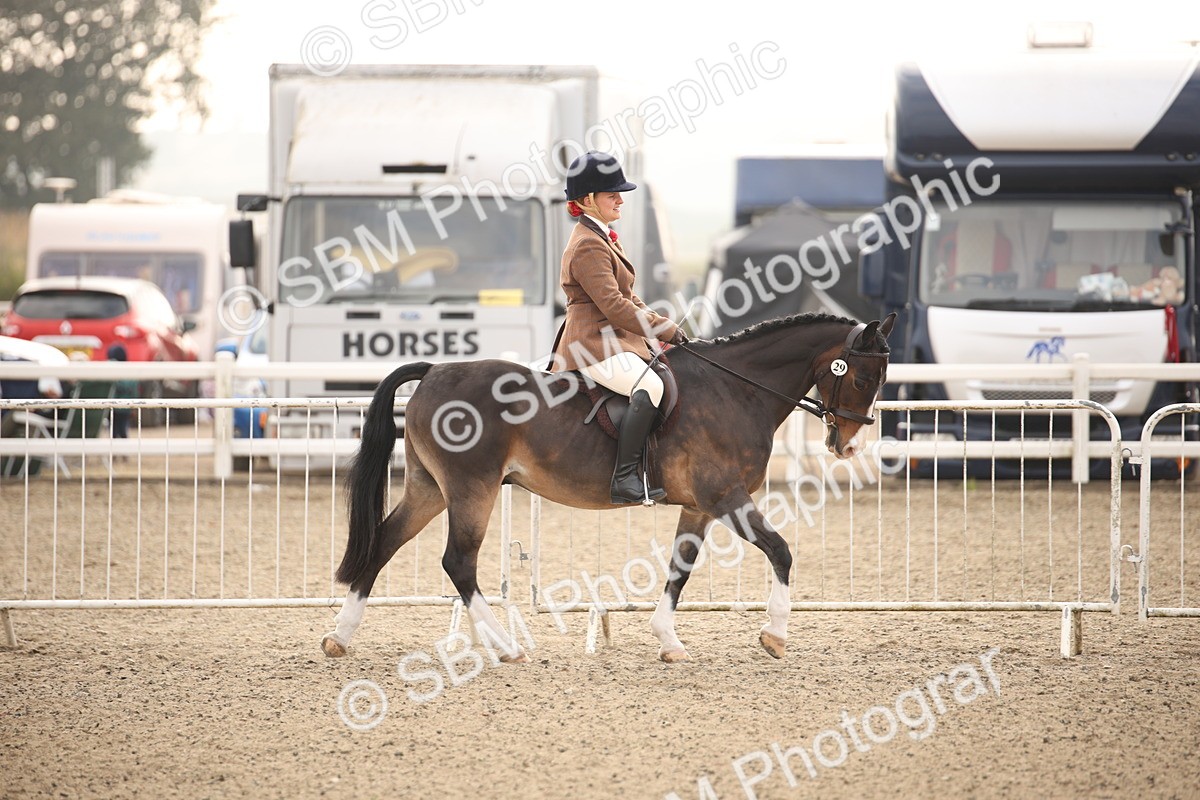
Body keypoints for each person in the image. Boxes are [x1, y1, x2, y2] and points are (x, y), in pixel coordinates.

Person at [551, 151, 687, 504]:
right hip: (591, 342)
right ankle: (624, 478)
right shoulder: (587, 245)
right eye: (612, 194)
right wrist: (663, 329)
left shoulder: (603, 237)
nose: (620, 199)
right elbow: (613, 306)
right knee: (650, 386)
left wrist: (664, 325)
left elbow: (629, 296)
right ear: (587, 201)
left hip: (614, 338)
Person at [105, 343, 137, 438]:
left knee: (113, 431)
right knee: (123, 429)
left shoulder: (108, 368)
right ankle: (124, 450)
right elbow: (134, 390)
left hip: (112, 405)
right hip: (126, 406)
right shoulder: (130, 371)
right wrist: (134, 407)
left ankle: (114, 451)